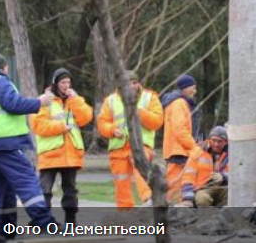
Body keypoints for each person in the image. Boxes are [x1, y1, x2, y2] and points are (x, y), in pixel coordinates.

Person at [0, 53, 57, 241]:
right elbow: (13, 104)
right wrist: (40, 102)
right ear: (4, 67)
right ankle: (45, 222)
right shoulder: (0, 81)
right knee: (27, 180)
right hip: (4, 144)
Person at [30, 68, 93, 223]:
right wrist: (60, 127)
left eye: (68, 82)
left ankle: (71, 222)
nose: (66, 85)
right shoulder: (44, 101)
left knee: (70, 192)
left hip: (71, 155)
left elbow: (86, 118)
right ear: (56, 83)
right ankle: (43, 222)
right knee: (45, 191)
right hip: (50, 154)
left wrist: (76, 100)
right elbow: (38, 125)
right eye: (63, 82)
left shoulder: (75, 100)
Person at [96, 71, 164, 209]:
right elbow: (102, 123)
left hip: (141, 145)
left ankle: (148, 199)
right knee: (121, 180)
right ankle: (126, 213)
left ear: (138, 83)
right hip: (118, 147)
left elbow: (157, 121)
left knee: (140, 168)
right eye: (128, 83)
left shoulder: (149, 97)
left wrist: (141, 113)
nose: (132, 86)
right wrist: (112, 129)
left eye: (134, 83)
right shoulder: (111, 100)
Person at [161, 74, 199, 204]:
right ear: (185, 88)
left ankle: (170, 210)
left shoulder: (177, 102)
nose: (195, 91)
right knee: (175, 185)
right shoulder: (179, 103)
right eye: (193, 88)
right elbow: (180, 129)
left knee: (175, 184)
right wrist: (194, 146)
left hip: (176, 149)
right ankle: (167, 212)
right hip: (178, 150)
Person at [181, 125, 230, 208]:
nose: (216, 144)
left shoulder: (232, 153)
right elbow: (188, 176)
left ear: (226, 142)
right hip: (202, 188)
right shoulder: (198, 152)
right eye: (214, 140)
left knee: (231, 196)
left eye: (220, 141)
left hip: (222, 188)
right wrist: (187, 199)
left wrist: (223, 176)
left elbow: (237, 176)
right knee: (202, 199)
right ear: (209, 139)